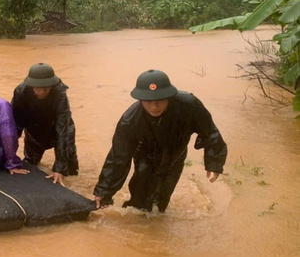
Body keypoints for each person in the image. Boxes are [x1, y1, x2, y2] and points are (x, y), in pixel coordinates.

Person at [93, 69, 227, 212]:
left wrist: (214, 162)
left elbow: (210, 132)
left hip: (175, 153)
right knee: (140, 196)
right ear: (140, 99)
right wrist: (104, 191)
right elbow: (118, 157)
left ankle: (158, 221)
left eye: (160, 100)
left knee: (162, 198)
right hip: (145, 154)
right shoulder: (130, 121)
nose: (154, 107)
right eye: (148, 101)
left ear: (169, 96)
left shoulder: (189, 106)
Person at [11, 63, 79, 187]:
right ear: (31, 85)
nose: (42, 92)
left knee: (69, 172)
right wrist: (10, 158)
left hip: (61, 130)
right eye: (38, 88)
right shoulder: (21, 92)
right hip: (35, 131)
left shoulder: (59, 93)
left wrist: (59, 168)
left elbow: (62, 127)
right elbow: (16, 125)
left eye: (46, 88)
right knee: (30, 166)